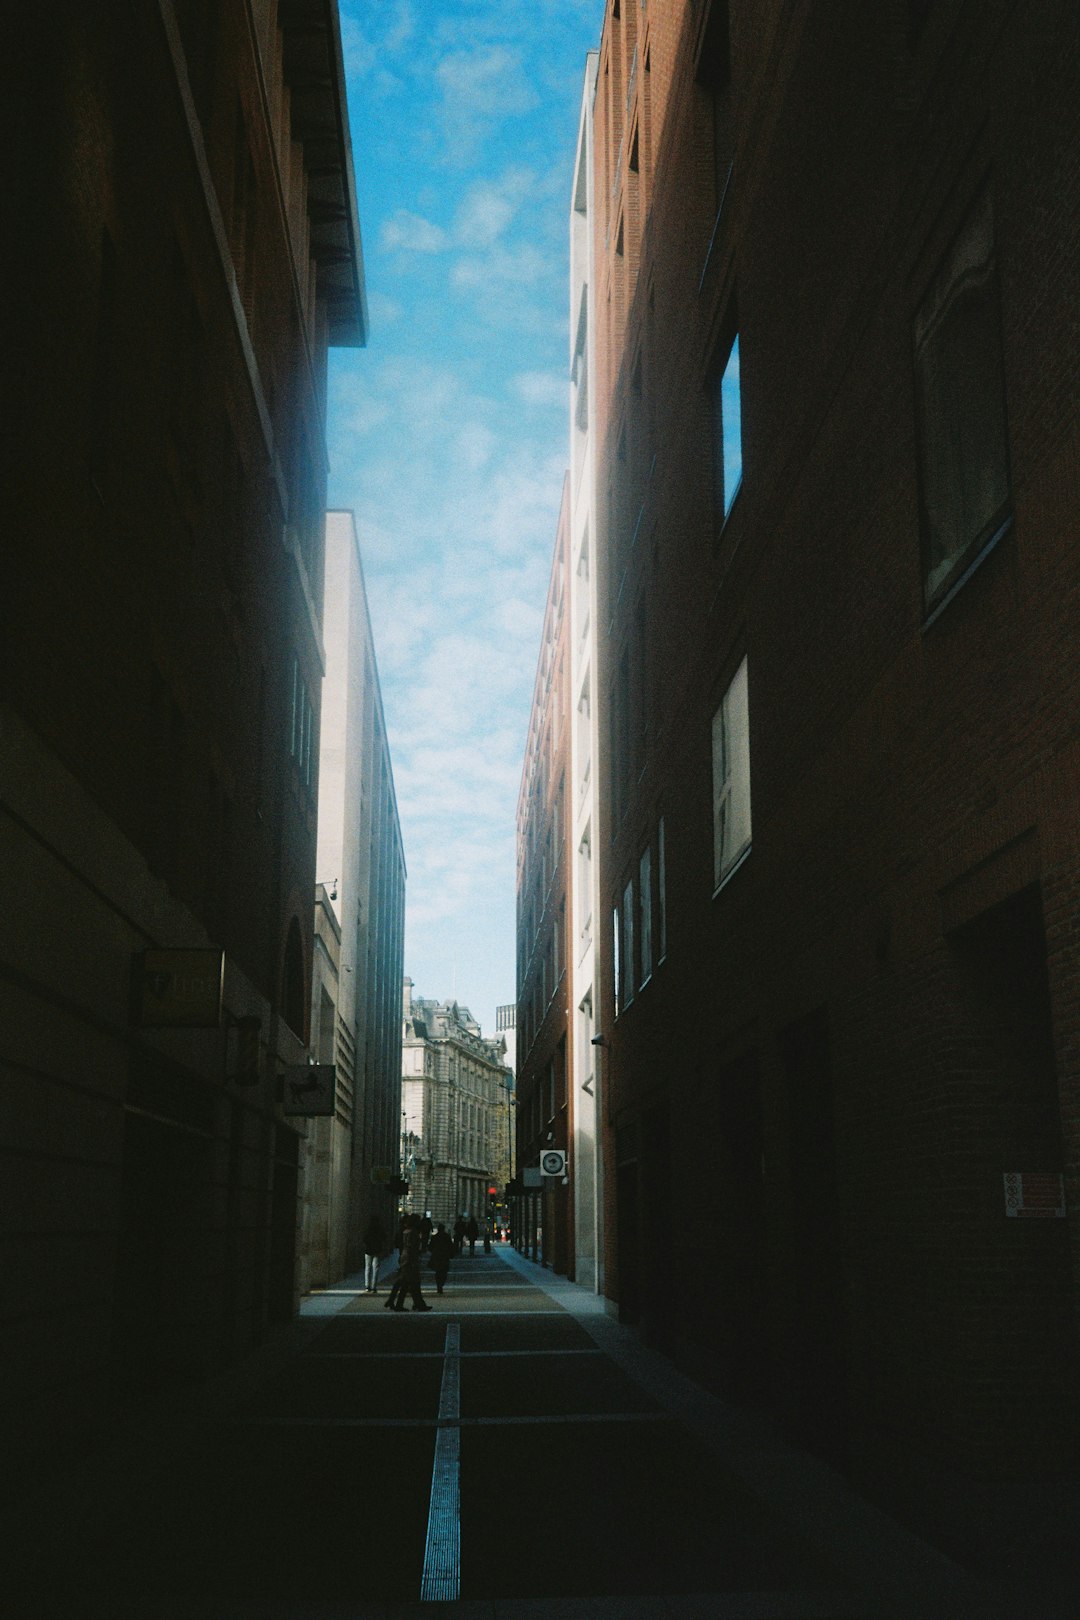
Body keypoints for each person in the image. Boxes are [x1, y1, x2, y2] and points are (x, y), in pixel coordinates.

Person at [385, 1213, 431, 1312]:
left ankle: (414, 1304)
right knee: (409, 1283)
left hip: (406, 1258)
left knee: (407, 1283)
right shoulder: (413, 1232)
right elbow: (411, 1248)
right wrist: (414, 1260)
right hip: (410, 1260)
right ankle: (415, 1304)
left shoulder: (406, 1231)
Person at [362, 1212, 387, 1294]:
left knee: (367, 1268)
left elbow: (364, 1239)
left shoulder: (368, 1229)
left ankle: (367, 1286)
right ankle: (374, 1287)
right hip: (377, 1250)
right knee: (375, 1268)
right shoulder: (380, 1229)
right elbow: (384, 1238)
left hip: (368, 1250)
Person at [428, 1222, 454, 1295]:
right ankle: (441, 1284)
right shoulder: (447, 1236)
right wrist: (451, 1254)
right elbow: (451, 1246)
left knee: (438, 1271)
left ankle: (438, 1285)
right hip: (445, 1256)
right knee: (444, 1271)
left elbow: (430, 1247)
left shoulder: (434, 1237)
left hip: (436, 1256)